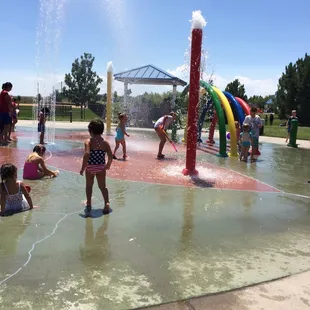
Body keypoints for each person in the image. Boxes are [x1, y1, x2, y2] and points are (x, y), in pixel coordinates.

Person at [80, 119, 113, 216]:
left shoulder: (88, 141)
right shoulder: (105, 143)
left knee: (89, 186)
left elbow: (87, 154)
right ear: (102, 130)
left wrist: (83, 168)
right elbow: (110, 156)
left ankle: (89, 203)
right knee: (103, 187)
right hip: (101, 168)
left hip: (90, 168)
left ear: (91, 131)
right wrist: (107, 165)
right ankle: (106, 203)